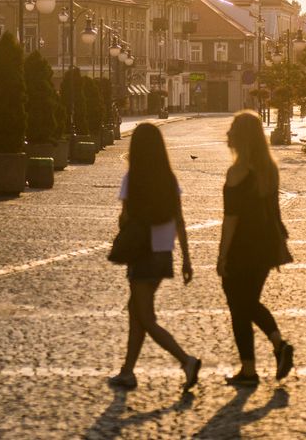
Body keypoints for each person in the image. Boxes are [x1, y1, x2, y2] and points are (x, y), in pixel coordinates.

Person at [108, 123, 201, 392]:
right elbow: (180, 220)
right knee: (136, 311)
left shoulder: (133, 177)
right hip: (163, 251)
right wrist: (186, 259)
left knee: (145, 316)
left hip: (141, 252)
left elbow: (125, 217)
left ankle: (187, 361)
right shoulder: (169, 178)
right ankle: (127, 371)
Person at [218, 110, 295, 387]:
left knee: (239, 306)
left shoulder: (237, 171)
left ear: (241, 137)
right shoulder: (269, 170)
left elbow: (231, 219)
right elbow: (274, 213)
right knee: (248, 303)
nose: (227, 133)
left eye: (231, 129)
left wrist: (222, 255)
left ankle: (250, 370)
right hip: (266, 246)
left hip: (242, 247)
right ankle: (277, 345)